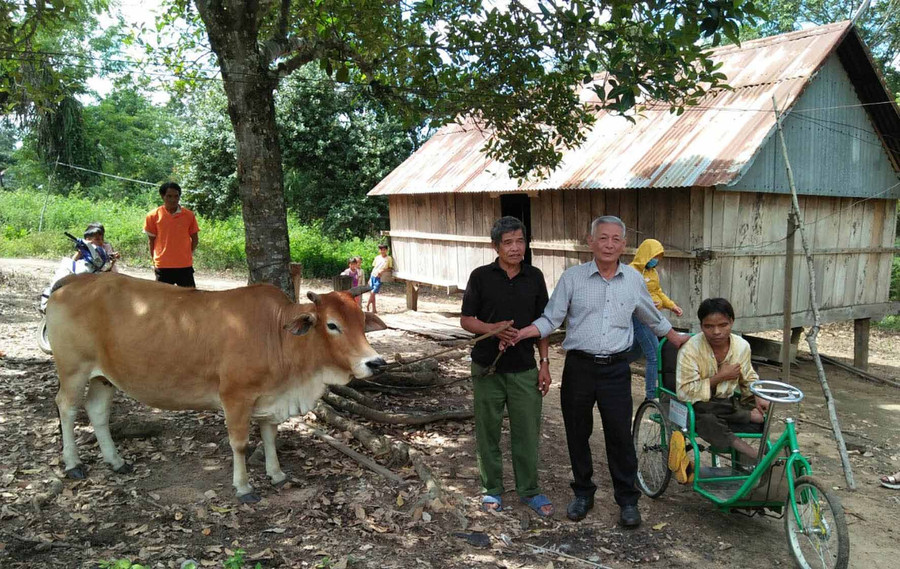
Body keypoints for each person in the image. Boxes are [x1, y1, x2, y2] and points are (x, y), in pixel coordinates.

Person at [508, 216, 687, 527]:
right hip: (579, 367)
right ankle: (583, 493)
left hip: (616, 370)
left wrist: (675, 338)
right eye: (603, 238)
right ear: (590, 242)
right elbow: (551, 318)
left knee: (619, 435)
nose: (609, 244)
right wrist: (524, 333)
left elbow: (650, 315)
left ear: (623, 245)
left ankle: (628, 500)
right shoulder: (573, 278)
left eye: (616, 239)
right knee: (578, 433)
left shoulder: (633, 280)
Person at [460, 216, 553, 517]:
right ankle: (492, 489)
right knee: (488, 431)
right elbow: (466, 319)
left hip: (525, 369)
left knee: (527, 432)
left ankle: (529, 490)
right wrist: (493, 328)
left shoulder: (535, 277)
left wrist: (545, 363)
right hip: (488, 368)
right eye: (508, 242)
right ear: (495, 246)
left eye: (520, 241)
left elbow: (544, 324)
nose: (515, 248)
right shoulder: (481, 277)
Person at [675, 297, 769, 469]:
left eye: (723, 325)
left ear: (731, 322)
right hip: (697, 406)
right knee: (707, 417)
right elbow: (684, 393)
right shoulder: (690, 349)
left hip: (727, 404)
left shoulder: (741, 346)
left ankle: (747, 458)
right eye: (709, 326)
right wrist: (720, 377)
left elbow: (749, 377)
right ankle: (753, 454)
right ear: (701, 325)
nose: (716, 332)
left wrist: (758, 395)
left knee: (765, 418)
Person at [629, 238, 683, 400]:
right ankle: (651, 395)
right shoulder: (631, 272)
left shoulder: (653, 273)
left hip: (652, 315)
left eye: (659, 257)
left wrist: (671, 305)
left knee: (635, 351)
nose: (656, 260)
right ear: (646, 254)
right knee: (654, 354)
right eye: (655, 256)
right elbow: (629, 296)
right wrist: (646, 303)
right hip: (639, 316)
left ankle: (614, 369)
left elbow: (658, 291)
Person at [144, 182, 200, 287]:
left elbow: (195, 239)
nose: (173, 199)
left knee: (190, 300)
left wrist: (187, 253)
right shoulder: (153, 216)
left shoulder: (189, 215)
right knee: (162, 300)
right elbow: (151, 241)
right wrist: (154, 260)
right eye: (169, 196)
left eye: (176, 196)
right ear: (162, 196)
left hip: (184, 265)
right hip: (163, 265)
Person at [366, 244, 393, 313]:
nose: (382, 251)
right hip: (373, 275)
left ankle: (368, 304)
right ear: (379, 250)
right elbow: (374, 267)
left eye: (384, 250)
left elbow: (390, 268)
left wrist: (383, 271)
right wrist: (370, 278)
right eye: (381, 250)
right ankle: (374, 309)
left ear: (386, 250)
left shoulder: (389, 258)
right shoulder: (377, 257)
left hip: (380, 277)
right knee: (373, 293)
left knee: (373, 292)